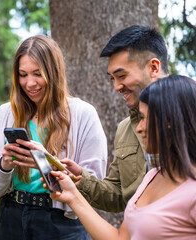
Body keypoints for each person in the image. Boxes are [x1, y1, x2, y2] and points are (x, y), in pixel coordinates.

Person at [0, 35, 107, 240]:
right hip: (10, 218)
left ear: (54, 73)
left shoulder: (83, 114)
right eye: (22, 75)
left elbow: (94, 189)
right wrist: (4, 164)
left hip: (61, 224)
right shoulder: (6, 112)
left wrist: (47, 163)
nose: (29, 83)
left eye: (37, 74)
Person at [48, 75, 196, 239]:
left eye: (144, 118)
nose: (138, 128)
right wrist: (73, 196)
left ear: (170, 122)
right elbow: (120, 238)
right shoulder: (152, 177)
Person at [64, 25, 169, 212]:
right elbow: (118, 195)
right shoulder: (125, 128)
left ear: (154, 67)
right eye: (112, 78)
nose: (117, 87)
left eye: (121, 76)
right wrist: (79, 179)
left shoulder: (189, 116)